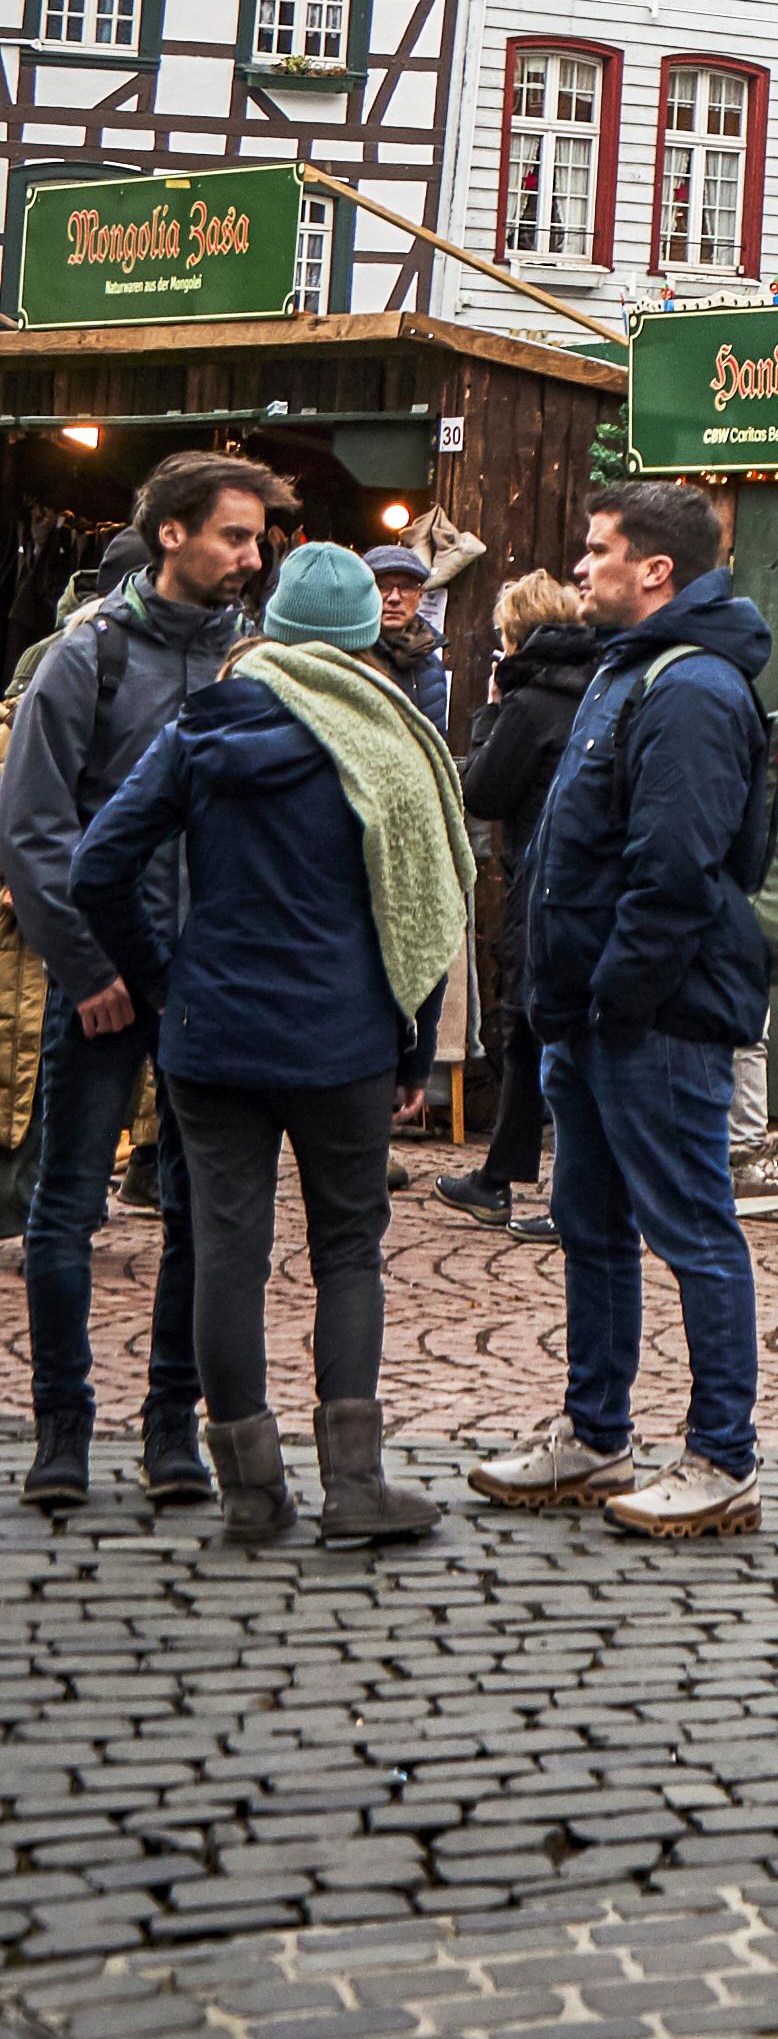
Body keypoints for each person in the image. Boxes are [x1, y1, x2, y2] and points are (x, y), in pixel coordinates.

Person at [73, 536, 473, 1548]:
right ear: (358, 638)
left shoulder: (199, 727)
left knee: (225, 1256)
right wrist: (413, 1052)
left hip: (212, 1036)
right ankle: (354, 1486)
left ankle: (250, 1493)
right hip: (341, 1039)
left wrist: (163, 978)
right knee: (348, 1252)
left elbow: (98, 868)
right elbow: (421, 911)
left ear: (275, 626)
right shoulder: (386, 743)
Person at [471, 478, 772, 1542]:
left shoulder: (688, 688)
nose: (580, 565)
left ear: (656, 569)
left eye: (597, 550)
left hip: (654, 1019)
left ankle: (722, 1458)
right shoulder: (624, 670)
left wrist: (616, 1000)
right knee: (590, 1225)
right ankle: (596, 1434)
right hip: (595, 1017)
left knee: (694, 1232)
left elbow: (675, 871)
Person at [1, 454, 280, 1509]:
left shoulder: (255, 667)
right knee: (65, 1206)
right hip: (105, 984)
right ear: (171, 534)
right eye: (234, 537)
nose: (251, 559)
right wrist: (87, 967)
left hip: (211, 987)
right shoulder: (87, 659)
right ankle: (60, 1432)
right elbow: (31, 829)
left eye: (255, 541)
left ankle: (173, 1431)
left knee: (200, 1215)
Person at [438, 569, 601, 1231]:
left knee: (535, 1026)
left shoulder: (529, 704)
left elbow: (483, 791)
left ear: (514, 635)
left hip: (541, 879)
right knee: (543, 1028)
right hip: (585, 881)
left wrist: (491, 709)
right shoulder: (596, 687)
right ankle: (501, 1175)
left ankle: (566, 1193)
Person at [366, 540, 449, 727]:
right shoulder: (351, 657)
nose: (394, 598)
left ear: (420, 594)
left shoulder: (431, 666)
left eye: (406, 587)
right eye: (382, 586)